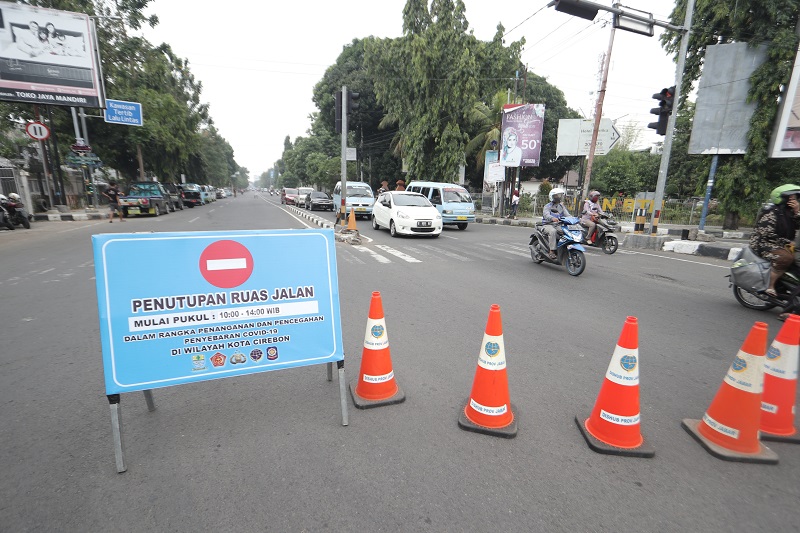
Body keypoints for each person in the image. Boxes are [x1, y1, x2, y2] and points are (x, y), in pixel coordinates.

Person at [750, 184, 800, 318]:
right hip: (764, 243)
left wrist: (797, 211)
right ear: (782, 198)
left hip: (782, 244)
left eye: (795, 197)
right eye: (791, 197)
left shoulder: (789, 212)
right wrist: (787, 242)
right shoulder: (770, 212)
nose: (794, 199)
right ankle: (770, 286)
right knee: (785, 258)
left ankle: (785, 287)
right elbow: (766, 233)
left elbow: (798, 225)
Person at [542, 187, 571, 259]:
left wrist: (573, 219)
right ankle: (552, 251)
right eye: (556, 196)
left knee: (566, 231)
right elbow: (546, 215)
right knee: (553, 231)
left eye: (559, 195)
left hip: (558, 225)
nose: (558, 197)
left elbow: (567, 215)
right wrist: (552, 218)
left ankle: (564, 247)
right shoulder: (548, 206)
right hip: (548, 224)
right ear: (552, 197)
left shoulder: (561, 206)